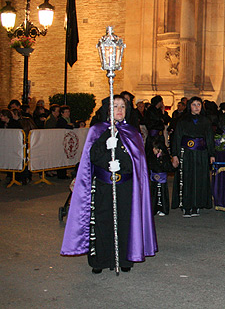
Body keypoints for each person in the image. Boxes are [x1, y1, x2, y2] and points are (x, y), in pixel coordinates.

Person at [61, 95, 157, 273]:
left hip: (125, 186)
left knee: (124, 221)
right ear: (108, 110)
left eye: (122, 106)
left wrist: (122, 165)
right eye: (115, 106)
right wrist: (106, 149)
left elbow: (138, 163)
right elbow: (92, 157)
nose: (119, 110)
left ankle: (124, 259)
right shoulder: (97, 130)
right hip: (104, 185)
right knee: (102, 222)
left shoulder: (132, 132)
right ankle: (100, 260)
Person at [171, 96, 215, 217]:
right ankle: (186, 205)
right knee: (187, 178)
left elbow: (209, 138)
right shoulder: (182, 121)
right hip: (187, 154)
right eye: (194, 105)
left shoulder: (206, 121)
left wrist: (212, 154)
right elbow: (177, 138)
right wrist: (175, 154)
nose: (196, 107)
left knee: (199, 178)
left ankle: (196, 205)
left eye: (199, 105)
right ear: (189, 106)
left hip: (201, 154)